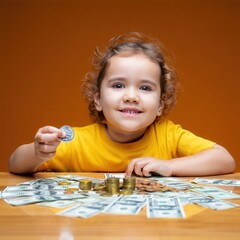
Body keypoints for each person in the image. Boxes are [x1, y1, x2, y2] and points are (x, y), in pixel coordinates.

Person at [8, 32, 236, 177]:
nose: (131, 96)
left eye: (145, 88)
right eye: (118, 85)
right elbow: (16, 164)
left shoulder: (169, 136)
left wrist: (170, 166)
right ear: (97, 98)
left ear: (160, 104)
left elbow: (225, 159)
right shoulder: (78, 142)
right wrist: (38, 152)